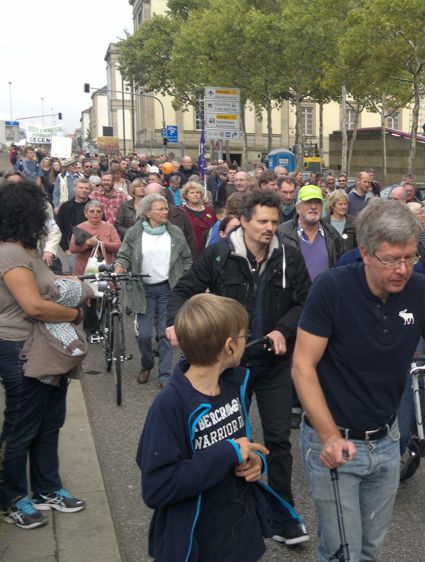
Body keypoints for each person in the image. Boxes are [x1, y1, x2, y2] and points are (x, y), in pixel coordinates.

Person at [292, 199, 425, 561]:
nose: (403, 269)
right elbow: (303, 366)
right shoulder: (332, 289)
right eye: (391, 259)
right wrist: (329, 436)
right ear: (364, 253)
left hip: (387, 440)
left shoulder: (421, 290)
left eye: (409, 257)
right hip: (333, 442)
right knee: (341, 552)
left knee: (371, 550)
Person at [167, 189, 312, 547]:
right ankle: (224, 511)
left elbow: (305, 301)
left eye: (275, 222)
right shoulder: (218, 256)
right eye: (262, 221)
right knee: (228, 442)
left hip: (274, 364)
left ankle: (282, 513)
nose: (269, 228)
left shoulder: (289, 259)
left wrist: (283, 330)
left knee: (278, 438)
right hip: (231, 368)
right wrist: (175, 323)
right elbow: (183, 291)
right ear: (244, 220)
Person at [136, 293, 300, 562]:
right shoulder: (170, 405)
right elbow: (158, 487)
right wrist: (228, 453)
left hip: (238, 536)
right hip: (196, 545)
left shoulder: (234, 385)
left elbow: (239, 447)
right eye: (244, 334)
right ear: (230, 347)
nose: (247, 339)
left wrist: (254, 461)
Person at [0, 179, 88, 530]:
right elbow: (33, 306)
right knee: (21, 427)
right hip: (21, 351)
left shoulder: (27, 252)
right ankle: (12, 499)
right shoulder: (10, 254)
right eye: (40, 212)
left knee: (49, 424)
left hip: (44, 350)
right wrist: (74, 313)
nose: (46, 219)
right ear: (24, 215)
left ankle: (46, 489)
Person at [115, 193, 193, 387]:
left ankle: (165, 375)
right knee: (143, 335)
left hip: (169, 288)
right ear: (148, 212)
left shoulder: (175, 232)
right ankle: (147, 363)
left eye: (166, 208)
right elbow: (124, 255)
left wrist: (185, 278)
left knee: (165, 333)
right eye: (161, 209)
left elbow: (186, 259)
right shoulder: (135, 232)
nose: (166, 212)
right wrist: (119, 268)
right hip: (142, 290)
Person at [277, 184, 342, 281]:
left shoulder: (332, 234)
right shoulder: (282, 233)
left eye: (317, 202)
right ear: (298, 207)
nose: (313, 207)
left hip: (324, 294)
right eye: (308, 202)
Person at [68, 200, 121, 276]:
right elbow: (72, 248)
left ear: (102, 213)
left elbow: (117, 246)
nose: (95, 213)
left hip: (106, 271)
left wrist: (100, 244)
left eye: (98, 211)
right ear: (86, 214)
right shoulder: (80, 227)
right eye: (91, 211)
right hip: (83, 271)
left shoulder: (109, 227)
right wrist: (88, 243)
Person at [180, 181, 216, 253]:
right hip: (190, 251)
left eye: (198, 192)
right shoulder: (182, 212)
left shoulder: (210, 210)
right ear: (186, 195)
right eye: (192, 193)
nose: (195, 195)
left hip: (210, 250)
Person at [322, 189, 357, 255]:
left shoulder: (353, 222)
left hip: (348, 262)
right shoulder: (324, 223)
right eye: (340, 204)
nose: (343, 207)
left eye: (345, 204)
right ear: (333, 205)